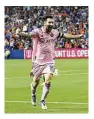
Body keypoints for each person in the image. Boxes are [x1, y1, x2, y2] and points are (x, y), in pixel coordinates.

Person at [18, 15, 83, 110]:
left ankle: (42, 100)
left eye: (52, 22)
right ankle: (33, 93)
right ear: (44, 22)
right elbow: (28, 35)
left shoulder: (55, 32)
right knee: (35, 82)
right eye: (49, 22)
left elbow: (65, 35)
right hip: (38, 62)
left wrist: (77, 36)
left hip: (50, 61)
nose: (51, 24)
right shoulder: (38, 31)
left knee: (48, 81)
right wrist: (20, 33)